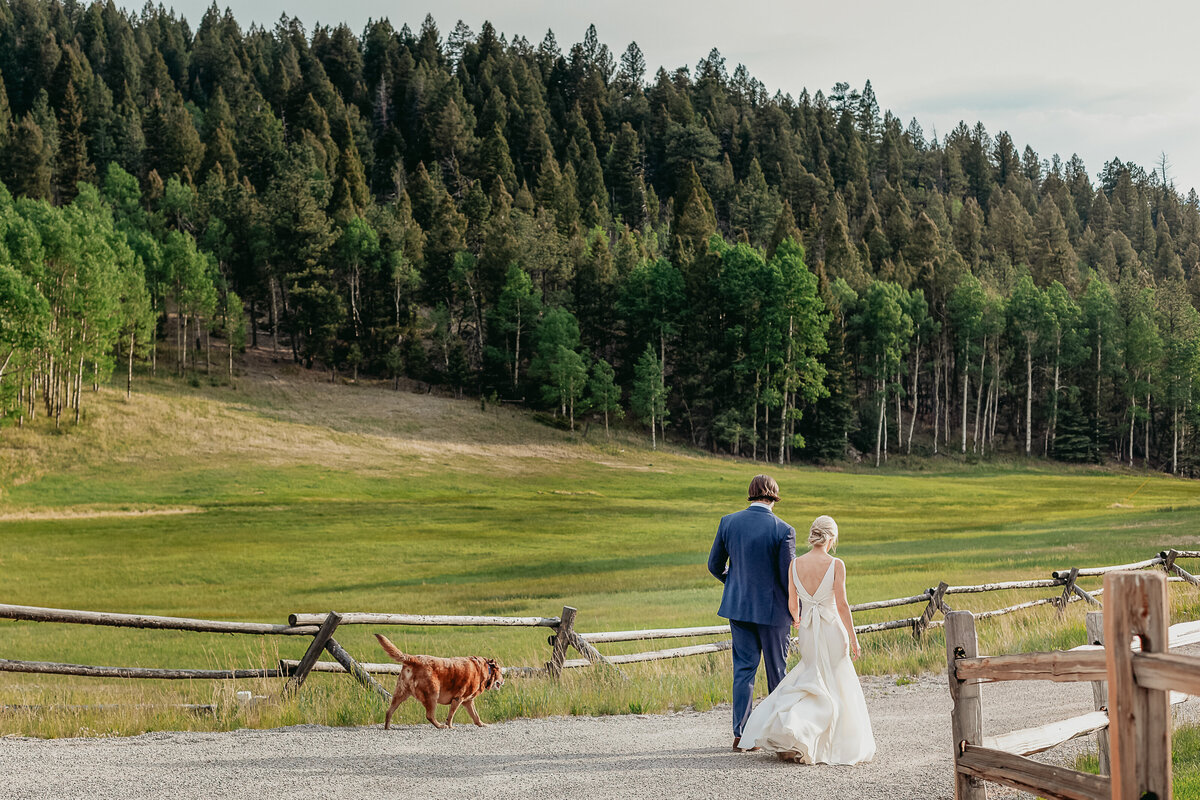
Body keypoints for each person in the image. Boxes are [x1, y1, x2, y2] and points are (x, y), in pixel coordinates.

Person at [736, 515, 876, 765]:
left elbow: (793, 601)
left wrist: (798, 619)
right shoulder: (836, 564)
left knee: (811, 677)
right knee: (836, 682)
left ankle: (797, 730)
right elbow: (842, 605)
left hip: (808, 630)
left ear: (813, 535)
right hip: (832, 628)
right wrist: (853, 638)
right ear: (831, 537)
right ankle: (826, 741)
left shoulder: (795, 564)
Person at [707, 474, 796, 752]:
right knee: (777, 672)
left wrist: (734, 584)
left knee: (743, 670)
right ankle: (777, 732)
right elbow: (787, 578)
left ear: (751, 494)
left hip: (739, 608)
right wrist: (796, 609)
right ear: (774, 497)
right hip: (773, 613)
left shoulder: (728, 522)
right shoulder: (784, 530)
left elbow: (714, 565)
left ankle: (741, 735)